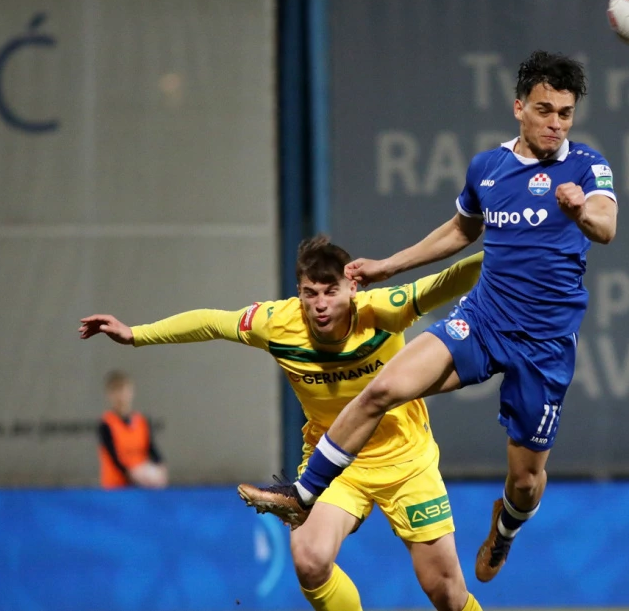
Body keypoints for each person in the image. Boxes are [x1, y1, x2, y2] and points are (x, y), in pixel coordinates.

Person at [238, 49, 618, 584]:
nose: (555, 123)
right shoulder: (488, 167)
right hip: (483, 321)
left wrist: (580, 210)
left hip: (545, 346)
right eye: (544, 109)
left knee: (527, 483)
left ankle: (503, 531)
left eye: (565, 113)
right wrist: (388, 266)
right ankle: (302, 494)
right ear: (518, 107)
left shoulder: (586, 166)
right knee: (382, 388)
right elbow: (462, 231)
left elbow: (606, 225)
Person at [79, 236, 486, 611]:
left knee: (445, 592)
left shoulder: (386, 310)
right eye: (311, 294)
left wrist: (522, 249)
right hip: (335, 465)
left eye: (331, 292)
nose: (321, 304)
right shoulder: (276, 323)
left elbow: (452, 279)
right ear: (299, 294)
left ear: (353, 289)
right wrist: (136, 334)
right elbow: (211, 321)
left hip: (405, 461)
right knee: (309, 560)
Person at [97, 370, 167, 489]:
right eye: (116, 391)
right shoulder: (106, 424)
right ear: (109, 394)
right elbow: (114, 458)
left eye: (124, 390)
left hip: (141, 487)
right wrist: (133, 475)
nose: (121, 396)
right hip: (116, 487)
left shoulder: (141, 421)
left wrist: (160, 467)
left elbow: (151, 448)